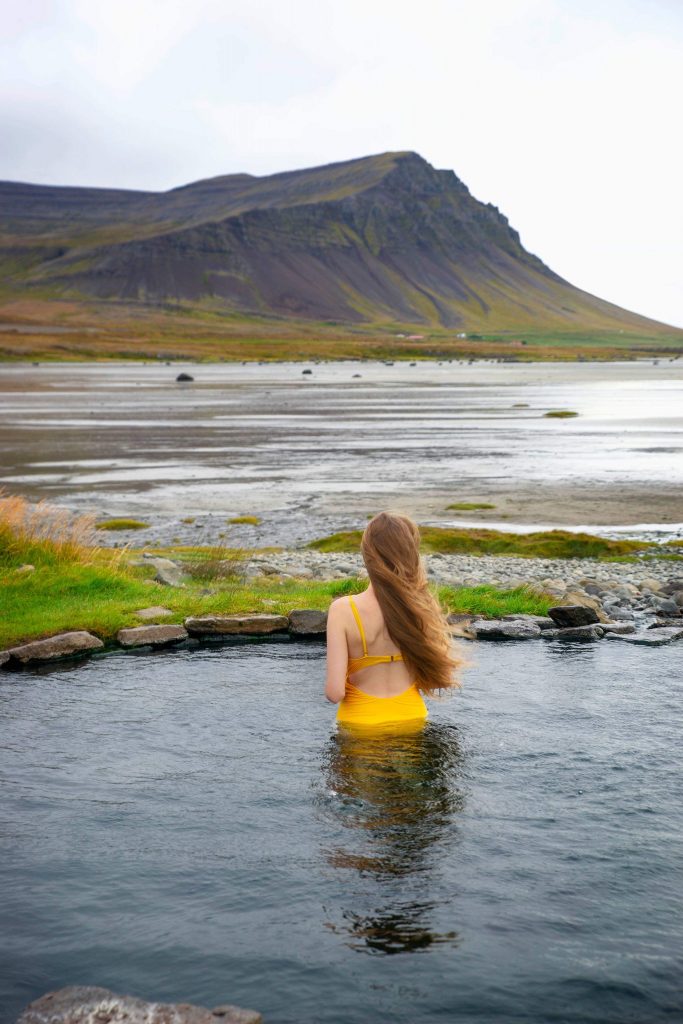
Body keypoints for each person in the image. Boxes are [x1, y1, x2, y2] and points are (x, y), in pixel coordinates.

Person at [324, 511, 464, 726]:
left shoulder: (343, 609)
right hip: (413, 720)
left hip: (360, 724)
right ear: (411, 554)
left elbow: (335, 693)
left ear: (367, 555)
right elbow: (439, 681)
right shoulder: (421, 606)